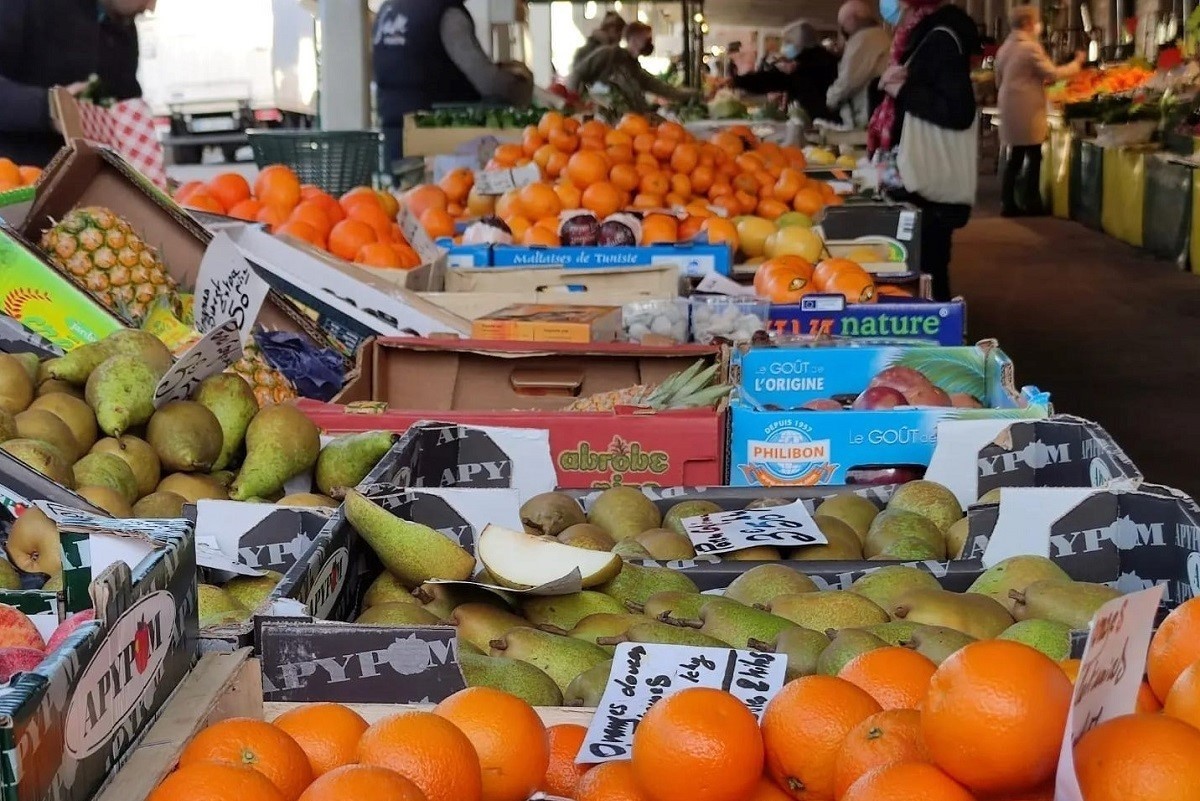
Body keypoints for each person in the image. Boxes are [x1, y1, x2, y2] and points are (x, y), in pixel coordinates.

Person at [868, 0, 981, 301]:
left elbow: (958, 111)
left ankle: (944, 339)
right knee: (929, 268)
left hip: (928, 185)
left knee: (930, 271)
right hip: (921, 181)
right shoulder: (923, 35)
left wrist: (902, 90)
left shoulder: (939, 38)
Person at [374, 0, 533, 163]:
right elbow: (487, 81)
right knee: (439, 188)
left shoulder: (389, 9)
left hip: (395, 133)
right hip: (435, 139)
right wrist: (521, 88)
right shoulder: (447, 13)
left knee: (402, 187)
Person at [0, 0, 155, 167]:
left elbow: (125, 100)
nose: (151, 8)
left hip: (89, 180)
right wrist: (51, 107)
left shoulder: (121, 24)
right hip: (15, 179)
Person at [994, 5, 1084, 216]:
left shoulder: (1005, 47)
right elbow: (1052, 73)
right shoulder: (1029, 47)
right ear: (1027, 23)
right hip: (1026, 108)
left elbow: (998, 79)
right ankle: (1031, 201)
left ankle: (1008, 202)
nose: (1038, 25)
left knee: (1016, 155)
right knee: (1033, 155)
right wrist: (1076, 64)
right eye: (1035, 20)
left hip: (1009, 105)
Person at [567, 22, 696, 113]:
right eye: (647, 38)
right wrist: (572, 103)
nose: (649, 43)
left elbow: (660, 87)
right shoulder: (608, 54)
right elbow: (577, 74)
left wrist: (693, 94)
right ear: (634, 38)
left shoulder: (634, 67)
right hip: (603, 121)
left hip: (629, 125)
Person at [732, 24, 839, 123]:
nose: (785, 47)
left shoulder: (805, 66)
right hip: (831, 118)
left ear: (800, 42)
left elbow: (771, 80)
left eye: (789, 42)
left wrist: (736, 81)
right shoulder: (825, 59)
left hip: (823, 121)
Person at [826, 0, 892, 128]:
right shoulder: (883, 36)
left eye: (843, 24)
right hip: (882, 110)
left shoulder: (862, 39)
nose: (843, 29)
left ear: (852, 19)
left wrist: (830, 99)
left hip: (866, 114)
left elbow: (849, 80)